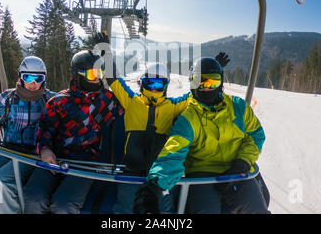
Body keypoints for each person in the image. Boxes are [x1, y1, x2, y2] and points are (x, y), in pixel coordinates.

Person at [92, 33, 230, 214]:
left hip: (161, 175)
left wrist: (211, 69)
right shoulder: (132, 101)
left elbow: (197, 93)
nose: (154, 89)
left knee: (164, 209)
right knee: (126, 208)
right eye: (150, 84)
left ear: (165, 86)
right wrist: (105, 52)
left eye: (159, 85)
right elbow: (113, 79)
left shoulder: (172, 107)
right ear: (142, 84)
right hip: (131, 169)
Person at [133, 57, 269, 214]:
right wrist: (154, 186)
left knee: (258, 210)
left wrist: (243, 162)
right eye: (200, 82)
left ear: (222, 82)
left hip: (238, 171)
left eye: (212, 82)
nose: (205, 88)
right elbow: (173, 153)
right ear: (191, 84)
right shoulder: (189, 118)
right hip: (203, 175)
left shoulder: (239, 107)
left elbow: (256, 135)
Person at [23, 50, 123, 214]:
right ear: (78, 74)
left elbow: (131, 102)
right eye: (92, 74)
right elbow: (45, 128)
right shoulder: (59, 101)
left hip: (86, 163)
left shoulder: (106, 100)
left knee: (64, 205)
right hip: (55, 159)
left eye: (100, 73)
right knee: (34, 197)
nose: (97, 78)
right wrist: (45, 149)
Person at [0, 56, 56, 214]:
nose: (33, 83)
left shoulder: (49, 99)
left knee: (1, 182)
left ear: (44, 79)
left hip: (31, 153)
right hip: (7, 149)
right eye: (28, 77)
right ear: (21, 77)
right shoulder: (10, 97)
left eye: (38, 78)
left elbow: (68, 112)